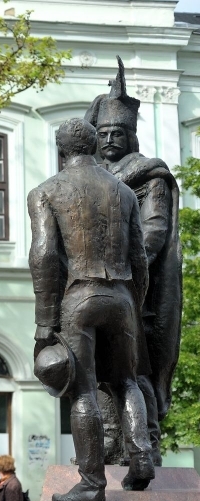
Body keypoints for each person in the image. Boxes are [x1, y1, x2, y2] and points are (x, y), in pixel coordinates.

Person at [28, 117, 154, 501]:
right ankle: (141, 458)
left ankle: (91, 484)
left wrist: (45, 321)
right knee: (126, 381)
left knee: (83, 390)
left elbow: (45, 255)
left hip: (78, 297)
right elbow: (139, 257)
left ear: (61, 149)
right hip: (122, 297)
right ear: (94, 146)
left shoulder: (46, 191)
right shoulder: (124, 192)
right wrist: (134, 304)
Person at [84, 57, 182, 466]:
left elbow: (155, 230)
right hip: (93, 282)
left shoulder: (149, 176)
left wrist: (124, 266)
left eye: (117, 133)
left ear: (131, 136)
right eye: (103, 133)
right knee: (97, 368)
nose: (109, 139)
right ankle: (110, 440)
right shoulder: (90, 178)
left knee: (134, 368)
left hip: (135, 288)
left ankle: (146, 442)